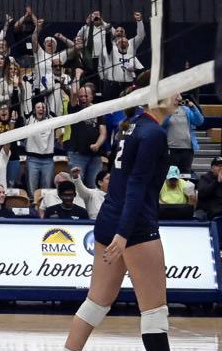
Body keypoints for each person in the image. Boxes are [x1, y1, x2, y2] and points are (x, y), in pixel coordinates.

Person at [63, 99, 177, 351]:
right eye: (174, 88)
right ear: (156, 94)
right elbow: (135, 186)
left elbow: (122, 181)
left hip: (109, 216)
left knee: (96, 303)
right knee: (154, 313)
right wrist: (124, 233)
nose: (180, 94)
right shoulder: (153, 133)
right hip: (134, 223)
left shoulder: (129, 127)